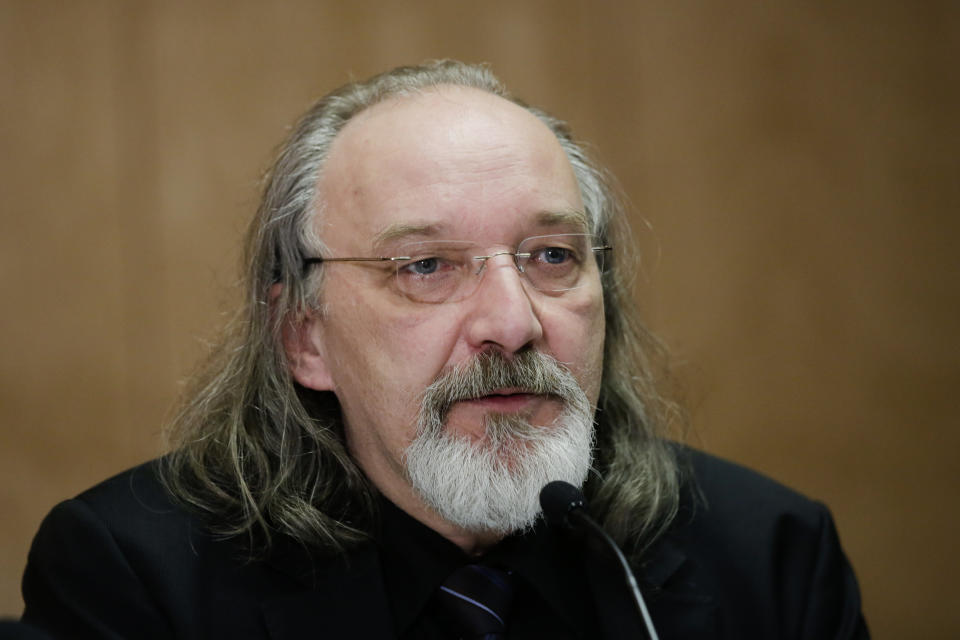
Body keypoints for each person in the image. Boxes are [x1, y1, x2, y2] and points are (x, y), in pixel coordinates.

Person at [20, 60, 868, 639]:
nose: (513, 320)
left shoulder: (773, 558)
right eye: (426, 266)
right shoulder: (134, 579)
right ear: (304, 338)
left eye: (552, 257)